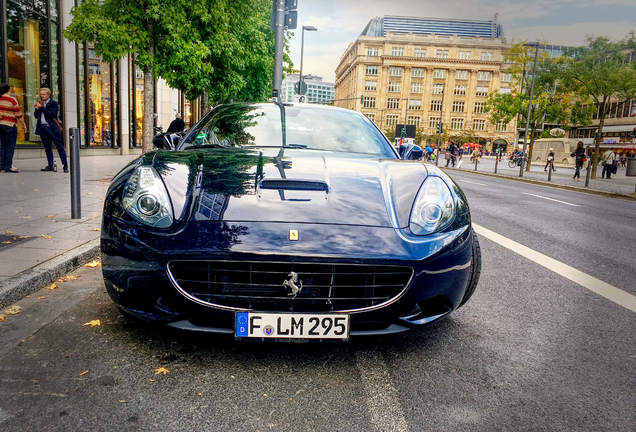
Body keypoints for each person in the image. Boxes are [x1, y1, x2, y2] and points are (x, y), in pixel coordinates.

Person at [34, 88, 67, 172]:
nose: (42, 96)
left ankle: (65, 165)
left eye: (44, 94)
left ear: (48, 95)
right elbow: (36, 115)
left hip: (52, 128)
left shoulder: (53, 103)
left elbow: (52, 114)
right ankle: (50, 165)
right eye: (41, 94)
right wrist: (37, 108)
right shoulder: (40, 103)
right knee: (47, 148)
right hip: (43, 128)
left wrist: (41, 108)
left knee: (59, 147)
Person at [0, 83, 26, 173]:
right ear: (9, 90)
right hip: (10, 125)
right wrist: (23, 125)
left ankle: (1, 167)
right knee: (10, 146)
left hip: (0, 125)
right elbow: (18, 114)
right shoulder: (11, 99)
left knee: (2, 146)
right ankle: (8, 166)